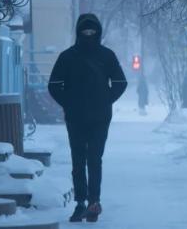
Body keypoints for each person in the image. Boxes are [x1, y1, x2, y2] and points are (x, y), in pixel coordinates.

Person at [48, 13, 127, 223]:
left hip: (100, 117)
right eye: (85, 31)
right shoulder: (68, 57)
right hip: (76, 117)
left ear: (98, 32)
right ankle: (81, 202)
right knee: (78, 159)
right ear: (79, 32)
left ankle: (94, 201)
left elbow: (120, 82)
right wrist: (69, 103)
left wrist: (105, 100)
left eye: (92, 31)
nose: (89, 34)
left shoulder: (106, 56)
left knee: (94, 159)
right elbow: (54, 85)